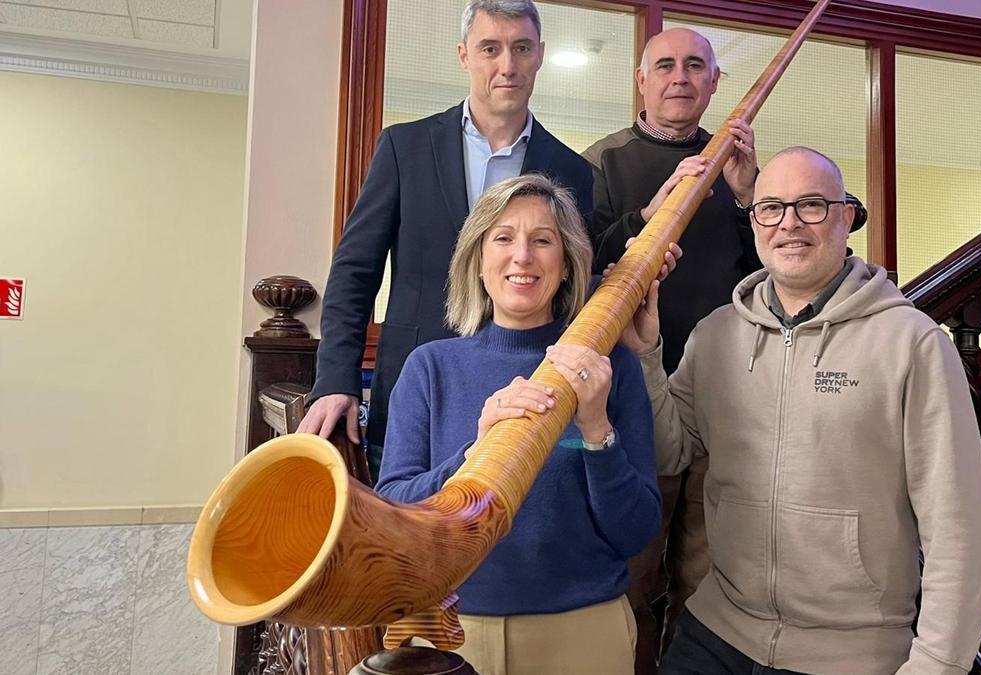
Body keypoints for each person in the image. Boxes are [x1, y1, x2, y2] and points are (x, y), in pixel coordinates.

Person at [621, 147, 981, 674]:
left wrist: (938, 663)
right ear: (755, 221)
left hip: (850, 655)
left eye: (812, 205)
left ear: (846, 217)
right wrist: (644, 354)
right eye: (771, 207)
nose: (789, 223)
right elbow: (671, 450)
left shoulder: (912, 344)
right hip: (715, 634)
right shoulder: (716, 335)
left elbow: (960, 526)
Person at [376, 173, 661, 674]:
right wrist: (475, 455)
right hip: (450, 631)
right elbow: (393, 515)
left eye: (543, 241)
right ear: (477, 260)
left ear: (567, 264)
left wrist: (597, 430)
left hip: (584, 634)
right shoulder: (430, 368)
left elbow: (636, 532)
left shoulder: (608, 367)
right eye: (503, 238)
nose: (522, 257)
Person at [300, 0, 593, 480]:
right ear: (464, 55)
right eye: (490, 48)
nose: (508, 65)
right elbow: (355, 270)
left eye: (521, 48)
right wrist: (336, 379)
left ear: (539, 54)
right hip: (414, 395)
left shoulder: (572, 171)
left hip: (527, 397)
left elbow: (572, 285)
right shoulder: (404, 147)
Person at [583, 28, 761, 672]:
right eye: (664, 65)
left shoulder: (740, 169)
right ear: (641, 81)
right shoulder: (600, 162)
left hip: (726, 400)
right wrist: (648, 216)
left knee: (708, 582)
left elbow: (774, 277)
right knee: (632, 578)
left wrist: (748, 198)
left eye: (694, 66)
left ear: (714, 82)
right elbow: (578, 273)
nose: (679, 77)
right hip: (632, 400)